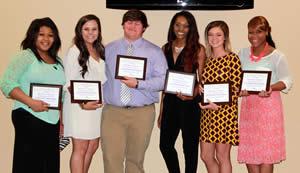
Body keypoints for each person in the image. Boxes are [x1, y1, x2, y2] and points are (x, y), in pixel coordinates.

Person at [101, 9, 168, 173]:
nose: (132, 26)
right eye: (129, 22)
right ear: (123, 25)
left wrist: (139, 84)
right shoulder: (108, 49)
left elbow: (163, 81)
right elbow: (97, 77)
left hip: (142, 113)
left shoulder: (154, 51)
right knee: (111, 158)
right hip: (113, 112)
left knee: (135, 160)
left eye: (137, 23)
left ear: (144, 28)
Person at [0, 17, 65, 173]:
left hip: (52, 121)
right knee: (29, 165)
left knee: (50, 166)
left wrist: (62, 121)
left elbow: (61, 95)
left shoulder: (59, 61)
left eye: (50, 35)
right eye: (41, 34)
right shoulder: (26, 56)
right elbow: (7, 83)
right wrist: (31, 102)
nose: (46, 39)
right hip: (28, 117)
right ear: (33, 35)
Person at [237, 16, 293, 173]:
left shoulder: (277, 56)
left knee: (266, 155)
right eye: (250, 32)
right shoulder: (242, 53)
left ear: (267, 32)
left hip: (268, 110)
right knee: (251, 154)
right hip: (249, 110)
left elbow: (287, 80)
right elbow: (236, 79)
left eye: (258, 32)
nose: (253, 36)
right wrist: (240, 90)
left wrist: (271, 87)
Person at [157, 11, 205, 173]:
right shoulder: (165, 48)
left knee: (190, 148)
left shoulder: (199, 49)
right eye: (177, 24)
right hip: (170, 104)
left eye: (186, 26)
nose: (181, 29)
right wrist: (161, 111)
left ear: (191, 29)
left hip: (190, 105)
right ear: (172, 26)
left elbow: (202, 80)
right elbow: (165, 83)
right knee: (165, 145)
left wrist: (193, 94)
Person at [62, 14, 106, 173]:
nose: (90, 33)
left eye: (94, 29)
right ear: (79, 31)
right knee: (80, 148)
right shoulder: (74, 51)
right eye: (86, 29)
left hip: (96, 107)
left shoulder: (100, 50)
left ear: (99, 31)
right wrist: (82, 103)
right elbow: (68, 81)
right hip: (79, 106)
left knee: (92, 146)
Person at [198, 20, 242, 173]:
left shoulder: (232, 59)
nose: (214, 38)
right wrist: (200, 88)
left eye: (218, 34)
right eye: (210, 34)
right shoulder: (208, 61)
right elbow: (205, 85)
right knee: (205, 156)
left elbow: (236, 89)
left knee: (223, 156)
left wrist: (219, 105)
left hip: (225, 114)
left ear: (225, 37)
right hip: (207, 114)